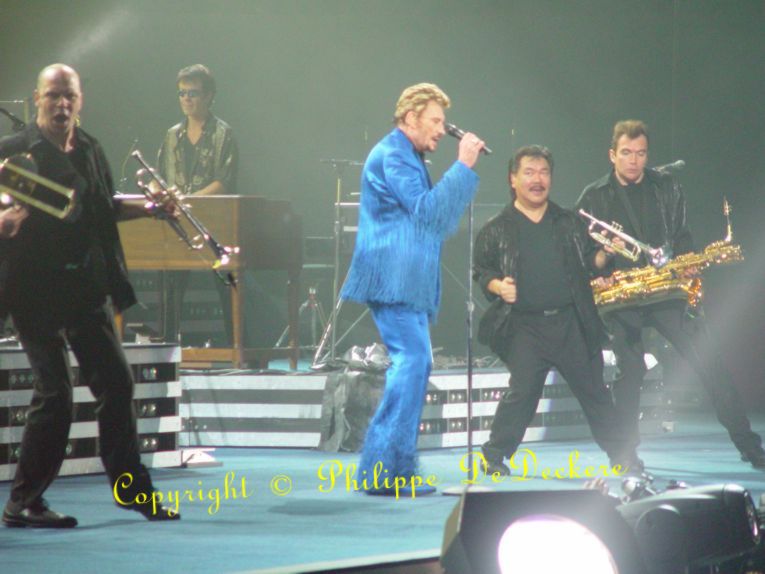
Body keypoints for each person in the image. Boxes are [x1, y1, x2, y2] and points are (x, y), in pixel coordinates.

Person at [0, 63, 180, 528]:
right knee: (55, 393)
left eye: (69, 96)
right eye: (53, 96)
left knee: (117, 385)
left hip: (84, 286)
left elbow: (102, 208)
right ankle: (24, 503)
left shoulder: (90, 150)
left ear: (80, 101)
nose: (61, 104)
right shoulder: (12, 151)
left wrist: (150, 208)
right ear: (36, 99)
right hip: (32, 290)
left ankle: (132, 491)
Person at [576, 119, 765, 469]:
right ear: (612, 155)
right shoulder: (593, 196)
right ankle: (625, 454)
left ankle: (750, 446)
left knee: (709, 363)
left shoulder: (666, 186)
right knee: (630, 372)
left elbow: (682, 236)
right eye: (626, 153)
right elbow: (582, 255)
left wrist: (687, 262)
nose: (634, 161)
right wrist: (601, 260)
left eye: (641, 153)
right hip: (622, 296)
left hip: (665, 290)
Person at [341, 83, 484, 494]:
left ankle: (389, 470)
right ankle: (385, 472)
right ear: (410, 118)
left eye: (443, 122)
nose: (441, 130)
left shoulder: (406, 155)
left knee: (415, 364)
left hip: (405, 281)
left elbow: (430, 218)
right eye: (435, 121)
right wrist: (463, 166)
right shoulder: (394, 155)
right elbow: (428, 213)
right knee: (413, 361)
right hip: (393, 279)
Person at [474, 145, 640, 476]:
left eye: (544, 173)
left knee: (596, 393)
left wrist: (606, 254)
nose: (537, 180)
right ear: (513, 179)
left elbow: (591, 262)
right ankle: (494, 455)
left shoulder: (569, 222)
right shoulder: (496, 228)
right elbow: (482, 271)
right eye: (529, 173)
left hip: (571, 324)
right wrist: (498, 287)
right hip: (524, 327)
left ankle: (623, 456)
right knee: (522, 394)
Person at [155, 63, 238, 345]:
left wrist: (191, 199)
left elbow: (224, 181)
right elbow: (159, 176)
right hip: (178, 223)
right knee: (171, 286)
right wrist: (156, 192)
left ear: (209, 95)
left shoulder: (223, 133)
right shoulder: (171, 135)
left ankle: (236, 346)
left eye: (193, 93)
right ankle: (168, 344)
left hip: (214, 223)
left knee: (227, 284)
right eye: (182, 93)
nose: (186, 99)